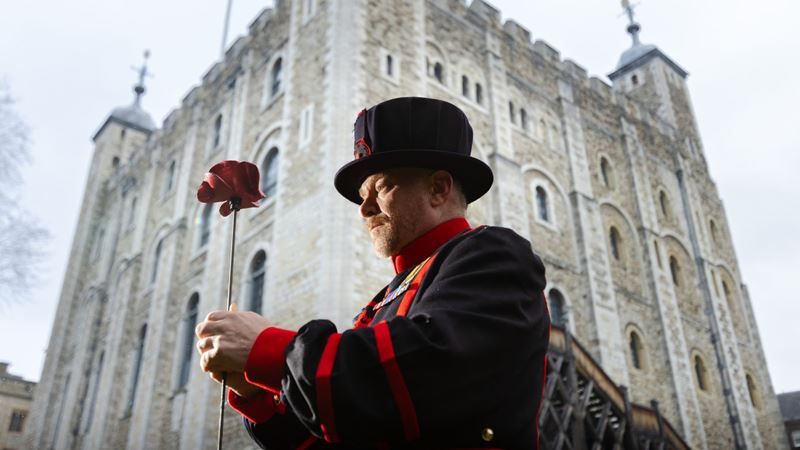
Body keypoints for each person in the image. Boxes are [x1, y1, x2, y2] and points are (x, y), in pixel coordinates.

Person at [195, 97, 550, 449]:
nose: (364, 209)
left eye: (380, 188)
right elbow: (351, 429)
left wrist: (269, 350)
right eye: (362, 196)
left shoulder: (496, 255)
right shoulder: (381, 303)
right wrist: (258, 394)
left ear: (438, 188)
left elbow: (420, 374)